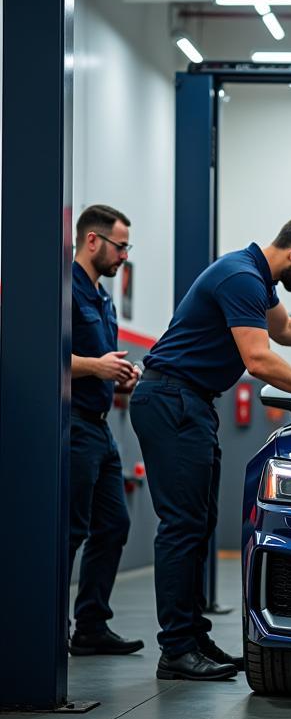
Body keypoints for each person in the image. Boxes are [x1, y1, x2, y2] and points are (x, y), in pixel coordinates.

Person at [130, 214, 291, 682]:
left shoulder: (256, 280)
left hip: (190, 403)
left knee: (196, 524)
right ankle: (177, 650)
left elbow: (283, 330)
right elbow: (259, 358)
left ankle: (192, 636)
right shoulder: (241, 277)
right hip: (171, 399)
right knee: (182, 526)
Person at [68, 205, 144, 656]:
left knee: (113, 526)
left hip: (100, 427)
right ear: (92, 241)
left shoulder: (103, 297)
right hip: (71, 426)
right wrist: (96, 366)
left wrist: (120, 377)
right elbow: (42, 354)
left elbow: (100, 363)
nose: (124, 256)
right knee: (72, 531)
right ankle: (44, 626)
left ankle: (92, 625)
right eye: (120, 246)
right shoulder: (62, 289)